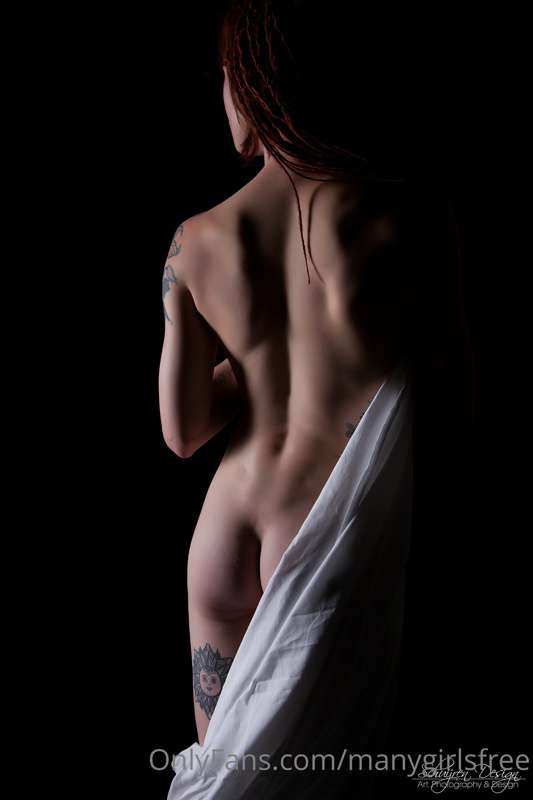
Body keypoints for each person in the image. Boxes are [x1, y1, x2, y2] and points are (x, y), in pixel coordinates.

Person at [158, 0, 474, 749]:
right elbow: (455, 409)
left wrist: (257, 361)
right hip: (325, 534)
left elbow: (184, 431)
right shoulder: (414, 218)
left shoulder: (194, 240)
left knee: (224, 777)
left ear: (257, 83)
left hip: (222, 536)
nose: (223, 95)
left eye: (227, 76)